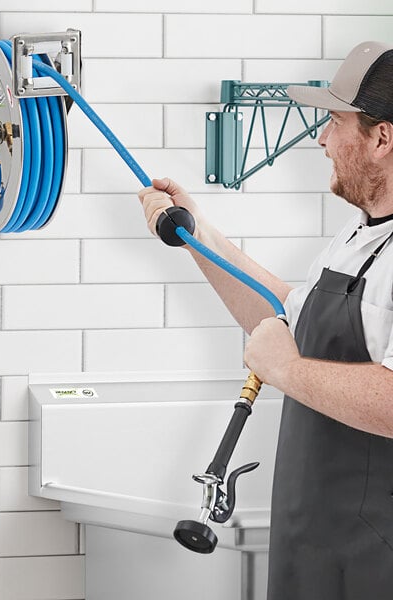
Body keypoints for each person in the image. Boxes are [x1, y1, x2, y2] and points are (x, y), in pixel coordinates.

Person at [138, 40, 393, 599]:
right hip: (316, 544)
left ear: (381, 137)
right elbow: (285, 314)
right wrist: (196, 235)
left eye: (333, 122)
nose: (322, 139)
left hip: (376, 561)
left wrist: (287, 372)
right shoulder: (358, 234)